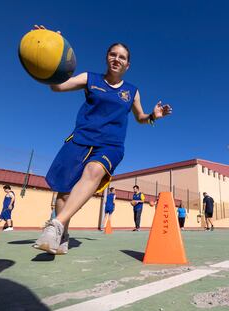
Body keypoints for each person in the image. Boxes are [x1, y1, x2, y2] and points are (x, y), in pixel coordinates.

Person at [32, 25, 172, 254]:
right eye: (113, 54)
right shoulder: (90, 78)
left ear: (128, 65)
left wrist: (153, 116)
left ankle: (55, 225)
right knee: (64, 192)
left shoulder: (132, 91)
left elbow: (140, 117)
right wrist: (52, 53)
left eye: (122, 57)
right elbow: (57, 87)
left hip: (111, 145)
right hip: (80, 140)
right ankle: (63, 234)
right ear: (107, 57)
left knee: (94, 172)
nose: (117, 59)